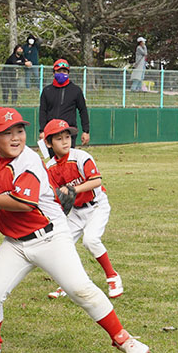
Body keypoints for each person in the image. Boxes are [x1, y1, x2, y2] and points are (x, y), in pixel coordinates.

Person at [0, 107, 148, 353]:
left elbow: (22, 203)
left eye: (19, 131)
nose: (16, 138)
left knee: (80, 289)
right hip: (15, 243)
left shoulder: (28, 161)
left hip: (50, 237)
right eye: (7, 133)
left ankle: (123, 339)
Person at [42, 119, 123, 300]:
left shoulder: (81, 157)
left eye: (67, 137)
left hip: (96, 206)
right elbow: (54, 195)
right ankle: (68, 284)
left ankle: (112, 276)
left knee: (91, 240)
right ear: (48, 143)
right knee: (63, 245)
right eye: (59, 138)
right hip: (75, 211)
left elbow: (97, 181)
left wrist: (73, 189)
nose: (65, 141)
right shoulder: (49, 167)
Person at [38, 58, 90, 154]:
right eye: (59, 71)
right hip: (51, 132)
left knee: (68, 161)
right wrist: (42, 130)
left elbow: (83, 111)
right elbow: (42, 111)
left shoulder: (76, 90)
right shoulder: (47, 91)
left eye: (64, 71)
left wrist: (85, 131)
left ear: (68, 73)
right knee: (53, 161)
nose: (62, 73)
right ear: (53, 73)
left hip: (68, 131)